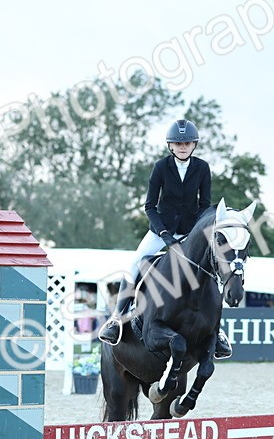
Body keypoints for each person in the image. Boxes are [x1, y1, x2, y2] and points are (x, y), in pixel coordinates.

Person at [98, 119, 232, 359]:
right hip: (161, 231)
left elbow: (204, 204)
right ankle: (117, 319)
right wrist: (164, 234)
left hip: (191, 231)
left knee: (214, 267)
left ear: (194, 145)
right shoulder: (161, 167)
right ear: (170, 145)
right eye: (178, 143)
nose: (183, 147)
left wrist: (194, 234)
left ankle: (218, 332)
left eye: (187, 143)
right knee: (134, 262)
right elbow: (150, 206)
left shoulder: (202, 168)